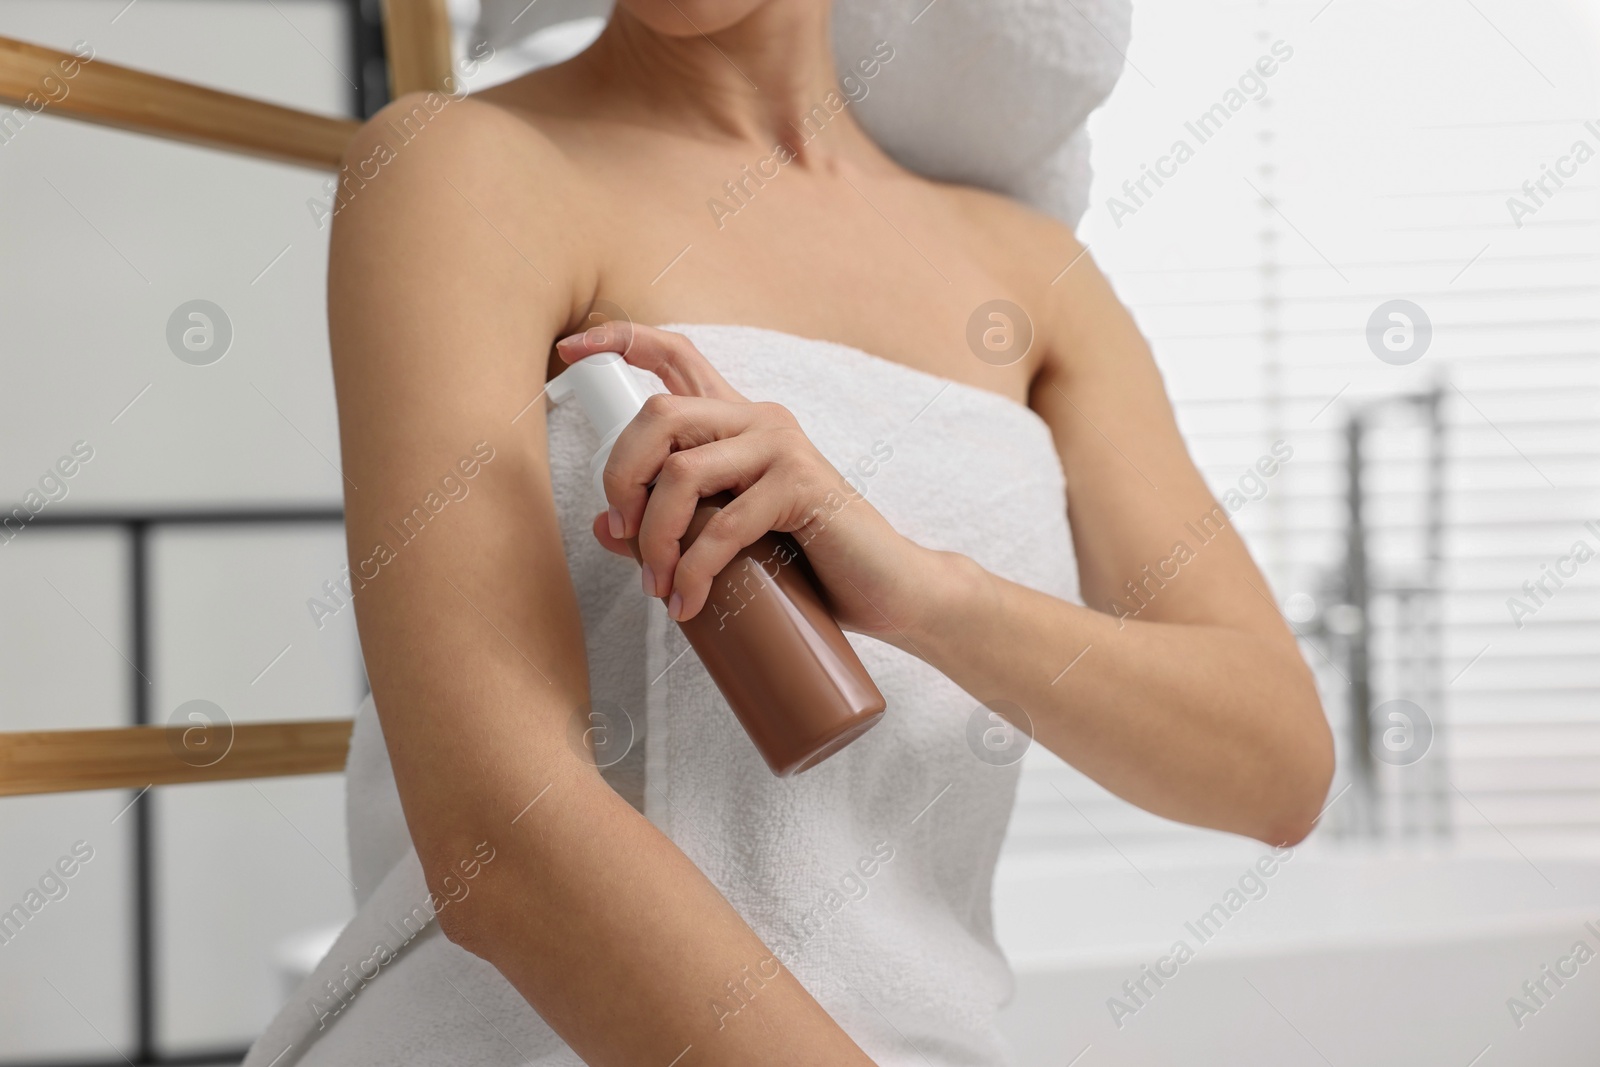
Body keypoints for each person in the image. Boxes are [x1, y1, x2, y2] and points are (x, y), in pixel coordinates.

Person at [284, 1, 1334, 1062]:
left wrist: (929, 596)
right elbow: (497, 841)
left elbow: (1276, 769)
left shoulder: (1032, 273)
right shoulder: (465, 166)